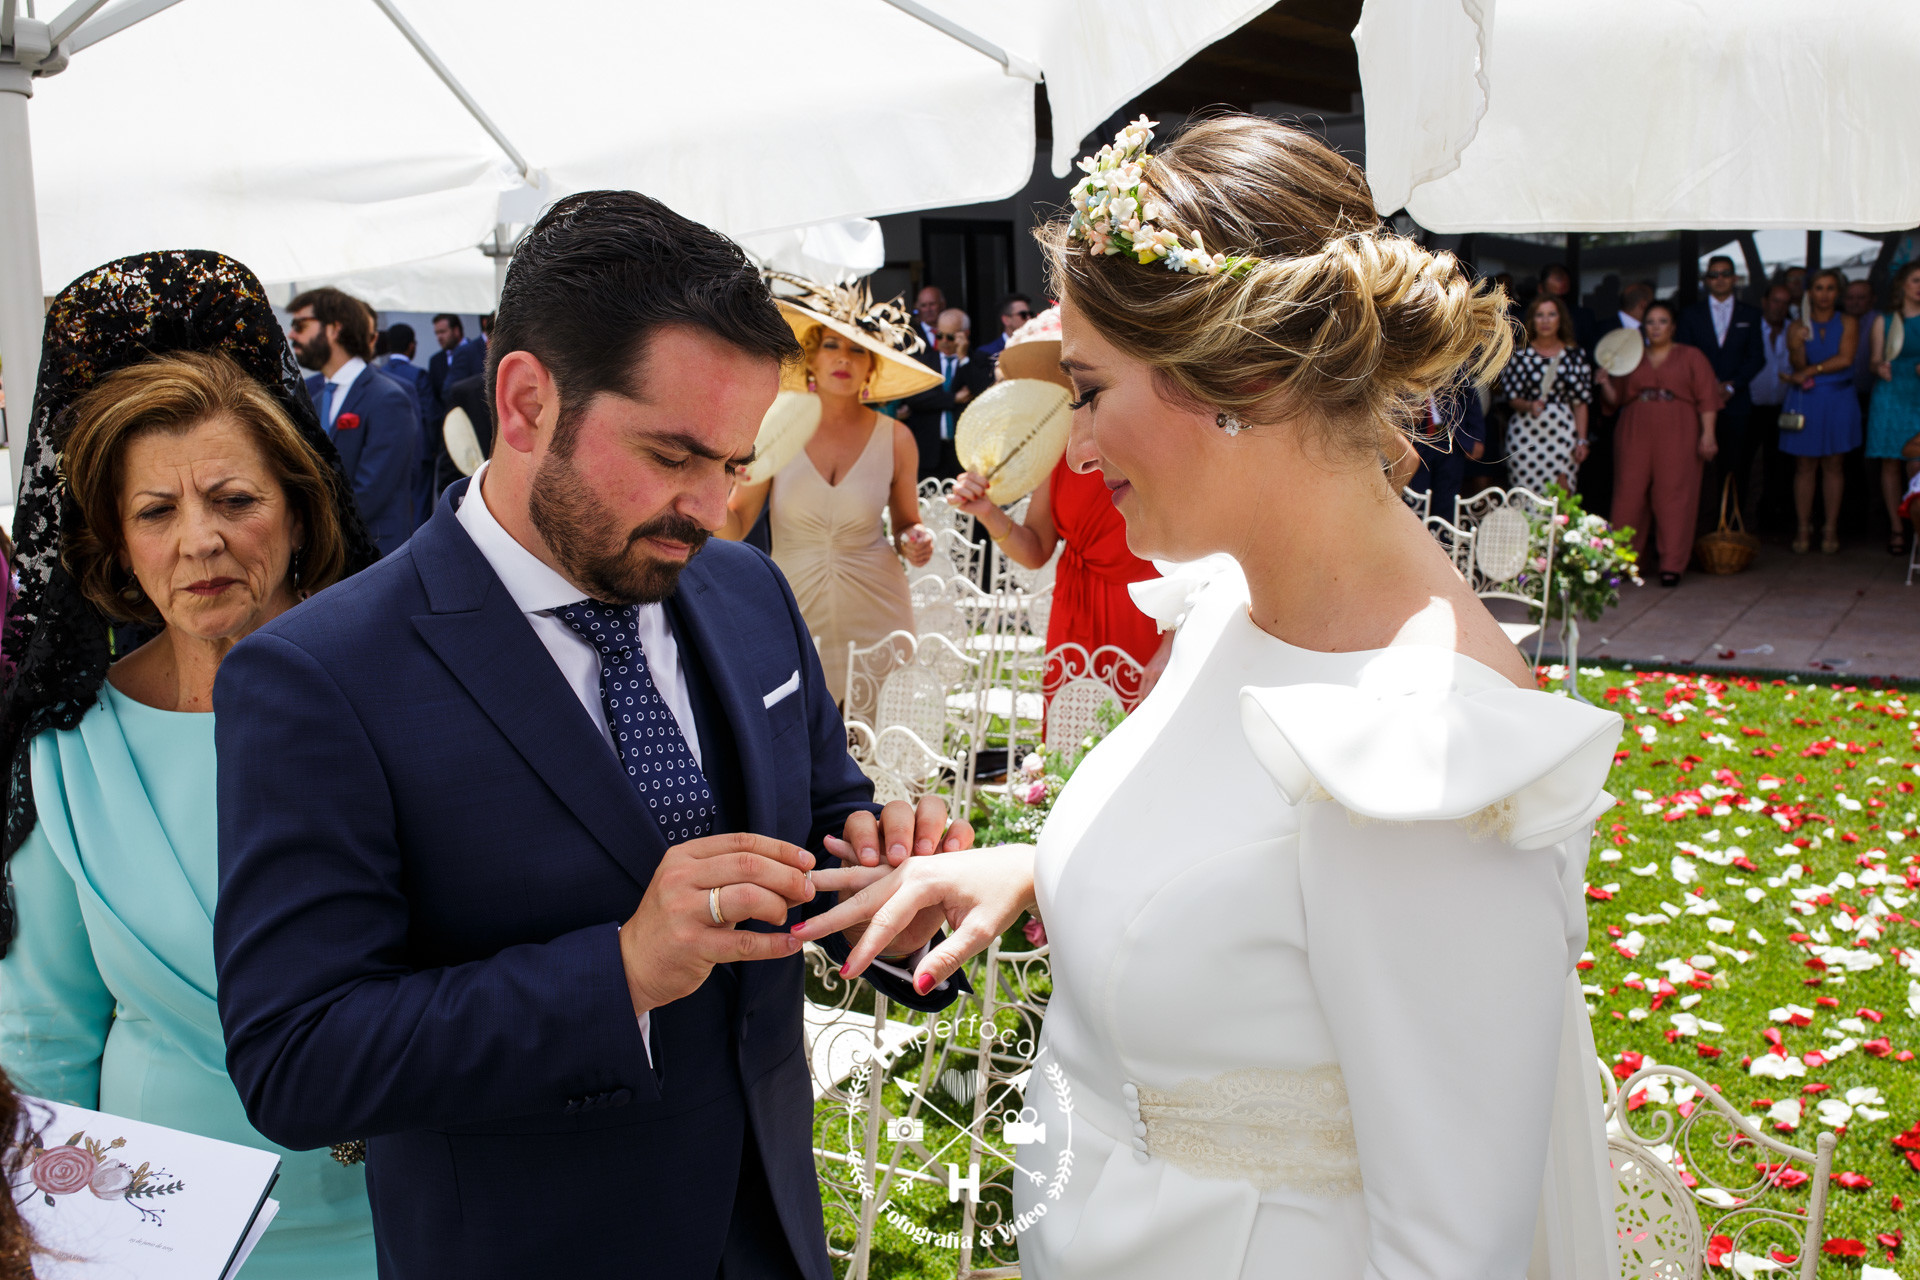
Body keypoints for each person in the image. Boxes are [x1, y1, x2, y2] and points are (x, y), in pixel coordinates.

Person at [800, 113, 1623, 1280]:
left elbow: (1455, 1248)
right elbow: (1246, 862)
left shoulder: (1422, 750)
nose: (1073, 449)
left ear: (1237, 376)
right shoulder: (1231, 599)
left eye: (1087, 389)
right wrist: (1036, 865)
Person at [210, 192, 971, 1280]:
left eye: (735, 462)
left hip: (769, 1230)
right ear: (525, 401)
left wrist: (884, 887)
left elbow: (814, 823)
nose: (710, 507)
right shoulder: (323, 675)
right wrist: (617, 972)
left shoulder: (747, 594)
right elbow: (298, 1057)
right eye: (672, 455)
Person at [0, 251, 383, 1277]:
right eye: (156, 512)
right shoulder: (69, 750)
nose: (200, 540)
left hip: (402, 1216)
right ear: (116, 547)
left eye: (233, 498)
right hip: (156, 1236)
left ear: (299, 508)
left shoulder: (400, 700)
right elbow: (42, 1038)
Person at [719, 277, 940, 702]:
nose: (844, 358)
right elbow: (735, 525)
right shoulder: (777, 429)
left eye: (858, 349)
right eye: (832, 346)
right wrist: (720, 481)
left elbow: (907, 523)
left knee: (876, 736)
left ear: (872, 367)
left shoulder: (897, 439)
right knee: (802, 736)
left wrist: (917, 540)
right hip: (795, 606)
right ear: (812, 360)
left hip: (879, 607)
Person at [947, 306, 1172, 698]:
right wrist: (987, 512)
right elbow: (1035, 550)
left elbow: (1204, 562)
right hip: (1073, 615)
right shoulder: (1062, 451)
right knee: (1070, 753)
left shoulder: (1157, 442)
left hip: (1148, 616)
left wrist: (1174, 642)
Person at [287, 287, 421, 555]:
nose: (292, 334)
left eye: (301, 325)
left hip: (374, 557)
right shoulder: (315, 397)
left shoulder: (387, 398)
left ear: (335, 329)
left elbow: (371, 492)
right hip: (331, 555)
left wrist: (308, 529)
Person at [1596, 300, 1722, 585]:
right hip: (1635, 426)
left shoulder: (1692, 356)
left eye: (1662, 321)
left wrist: (1708, 434)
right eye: (1650, 322)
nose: (1656, 327)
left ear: (1673, 326)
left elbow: (1707, 399)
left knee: (1674, 494)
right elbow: (1616, 400)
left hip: (1679, 426)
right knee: (1629, 493)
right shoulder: (1632, 357)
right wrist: (1604, 382)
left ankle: (1672, 564)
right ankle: (1626, 562)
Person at [1780, 268, 1862, 554]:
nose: (1824, 294)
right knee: (1804, 465)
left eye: (1829, 288)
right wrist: (1796, 343)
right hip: (1807, 398)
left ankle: (1830, 526)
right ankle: (1804, 526)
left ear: (1837, 293)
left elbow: (1846, 357)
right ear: (1809, 292)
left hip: (1838, 397)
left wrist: (1814, 369)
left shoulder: (1848, 321)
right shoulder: (1796, 325)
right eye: (1818, 288)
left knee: (1834, 464)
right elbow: (1797, 364)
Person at [1677, 255, 1767, 513]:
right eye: (1714, 275)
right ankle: (1694, 526)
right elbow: (1684, 354)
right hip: (1695, 402)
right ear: (1706, 281)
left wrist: (1731, 386)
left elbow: (1757, 357)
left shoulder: (1750, 314)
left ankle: (1729, 529)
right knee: (1692, 466)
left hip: (1735, 401)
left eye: (1725, 273)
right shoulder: (1690, 314)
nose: (1720, 279)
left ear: (1735, 278)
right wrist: (1707, 386)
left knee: (1735, 466)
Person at [1498, 294, 1594, 492]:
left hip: (1562, 432)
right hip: (1526, 433)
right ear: (1532, 320)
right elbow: (1512, 397)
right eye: (1540, 315)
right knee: (1526, 495)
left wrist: (1582, 440)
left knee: (1562, 495)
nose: (1545, 321)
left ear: (1560, 319)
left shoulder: (1574, 355)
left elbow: (1580, 402)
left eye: (1551, 315)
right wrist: (1528, 405)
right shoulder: (1521, 353)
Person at [900, 307, 991, 480]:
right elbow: (915, 398)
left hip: (963, 453)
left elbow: (983, 393)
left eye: (950, 337)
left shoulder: (977, 360)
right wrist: (953, 399)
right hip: (929, 451)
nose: (943, 341)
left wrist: (963, 357)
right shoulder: (924, 362)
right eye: (939, 335)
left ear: (965, 334)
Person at [1867, 261, 1920, 554]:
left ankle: (1917, 525)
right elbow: (1873, 361)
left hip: (1918, 394)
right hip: (1890, 393)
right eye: (1915, 280)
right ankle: (1896, 529)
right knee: (1889, 462)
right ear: (1902, 285)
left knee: (1917, 461)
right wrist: (1880, 368)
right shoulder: (1884, 321)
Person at [1749, 283, 1796, 528]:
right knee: (1745, 463)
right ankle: (1739, 519)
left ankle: (1774, 516)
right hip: (1751, 406)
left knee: (1780, 465)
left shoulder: (1795, 330)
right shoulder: (1750, 327)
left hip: (1783, 407)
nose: (1780, 307)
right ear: (1764, 301)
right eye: (1776, 301)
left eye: (1785, 303)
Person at [1539, 261, 1600, 351]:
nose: (1557, 304)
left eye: (1562, 298)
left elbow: (1591, 352)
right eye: (1552, 298)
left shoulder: (1584, 317)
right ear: (1540, 289)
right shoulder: (1524, 319)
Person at [973, 292, 1034, 361]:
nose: (1029, 318)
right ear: (1006, 320)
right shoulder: (987, 353)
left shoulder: (1036, 346)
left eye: (1031, 314)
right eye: (1023, 315)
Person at [912, 284, 945, 349]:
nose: (928, 309)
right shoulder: (911, 336)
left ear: (942, 304)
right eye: (923, 305)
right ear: (917, 308)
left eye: (932, 304)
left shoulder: (953, 332)